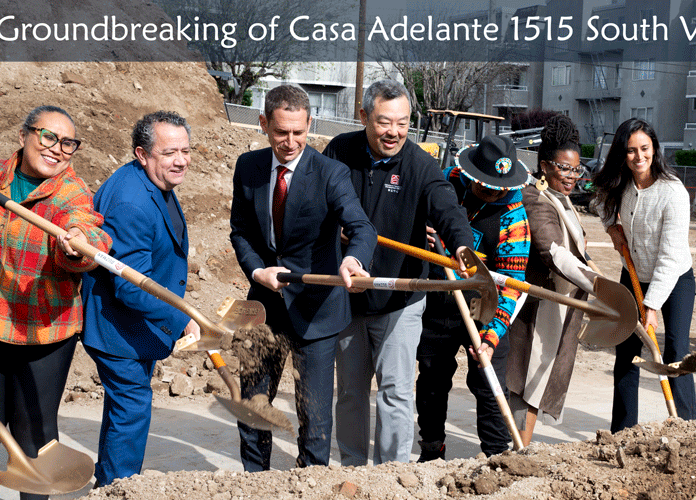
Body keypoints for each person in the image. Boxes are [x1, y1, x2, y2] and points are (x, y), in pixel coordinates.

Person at [0, 105, 110, 500]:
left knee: (35, 430)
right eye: (48, 137)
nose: (57, 149)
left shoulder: (73, 192)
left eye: (68, 143)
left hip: (43, 329)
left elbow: (89, 233)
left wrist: (77, 243)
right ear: (23, 136)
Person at [322, 79, 474, 465]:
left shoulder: (420, 165)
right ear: (364, 116)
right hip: (349, 295)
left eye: (403, 123)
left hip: (400, 298)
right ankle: (354, 467)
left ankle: (391, 475)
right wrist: (333, 230)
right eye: (384, 122)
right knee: (351, 392)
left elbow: (447, 207)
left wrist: (461, 245)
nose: (394, 132)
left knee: (395, 392)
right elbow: (319, 205)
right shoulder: (339, 151)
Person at [229, 85, 377, 471]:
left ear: (310, 124)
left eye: (299, 131)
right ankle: (254, 482)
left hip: (317, 310)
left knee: (314, 417)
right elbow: (240, 231)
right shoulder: (248, 167)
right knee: (253, 407)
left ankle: (309, 482)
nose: (291, 141)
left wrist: (353, 259)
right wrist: (257, 270)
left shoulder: (330, 173)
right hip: (264, 307)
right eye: (281, 132)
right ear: (263, 123)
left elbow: (361, 227)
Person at [81, 111, 199, 486]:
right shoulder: (131, 202)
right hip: (118, 327)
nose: (180, 160)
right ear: (142, 154)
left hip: (135, 323)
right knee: (132, 408)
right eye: (169, 153)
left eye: (185, 150)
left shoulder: (151, 181)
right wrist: (182, 317)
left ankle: (108, 482)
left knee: (124, 409)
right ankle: (120, 486)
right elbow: (131, 285)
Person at [415, 134, 531, 460]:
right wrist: (422, 231)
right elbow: (415, 214)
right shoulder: (448, 183)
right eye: (485, 186)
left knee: (488, 381)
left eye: (499, 188)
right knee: (432, 378)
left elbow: (512, 286)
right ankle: (431, 452)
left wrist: (491, 338)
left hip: (485, 305)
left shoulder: (514, 218)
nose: (493, 193)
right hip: (440, 298)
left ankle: (498, 458)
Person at [592, 118, 696, 432]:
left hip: (675, 279)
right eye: (631, 150)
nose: (639, 156)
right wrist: (612, 228)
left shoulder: (673, 192)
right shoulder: (620, 181)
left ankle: (688, 427)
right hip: (634, 273)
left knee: (676, 350)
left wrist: (651, 306)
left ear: (655, 148)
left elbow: (669, 257)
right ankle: (623, 431)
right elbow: (599, 198)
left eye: (645, 148)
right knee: (626, 352)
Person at [506, 115, 597, 446]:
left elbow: (577, 249)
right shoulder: (535, 198)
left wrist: (593, 272)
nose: (572, 176)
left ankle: (519, 448)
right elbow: (552, 251)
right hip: (536, 310)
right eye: (564, 168)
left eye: (576, 169)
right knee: (526, 382)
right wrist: (597, 285)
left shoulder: (562, 197)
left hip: (560, 307)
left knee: (537, 383)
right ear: (544, 166)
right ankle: (516, 452)